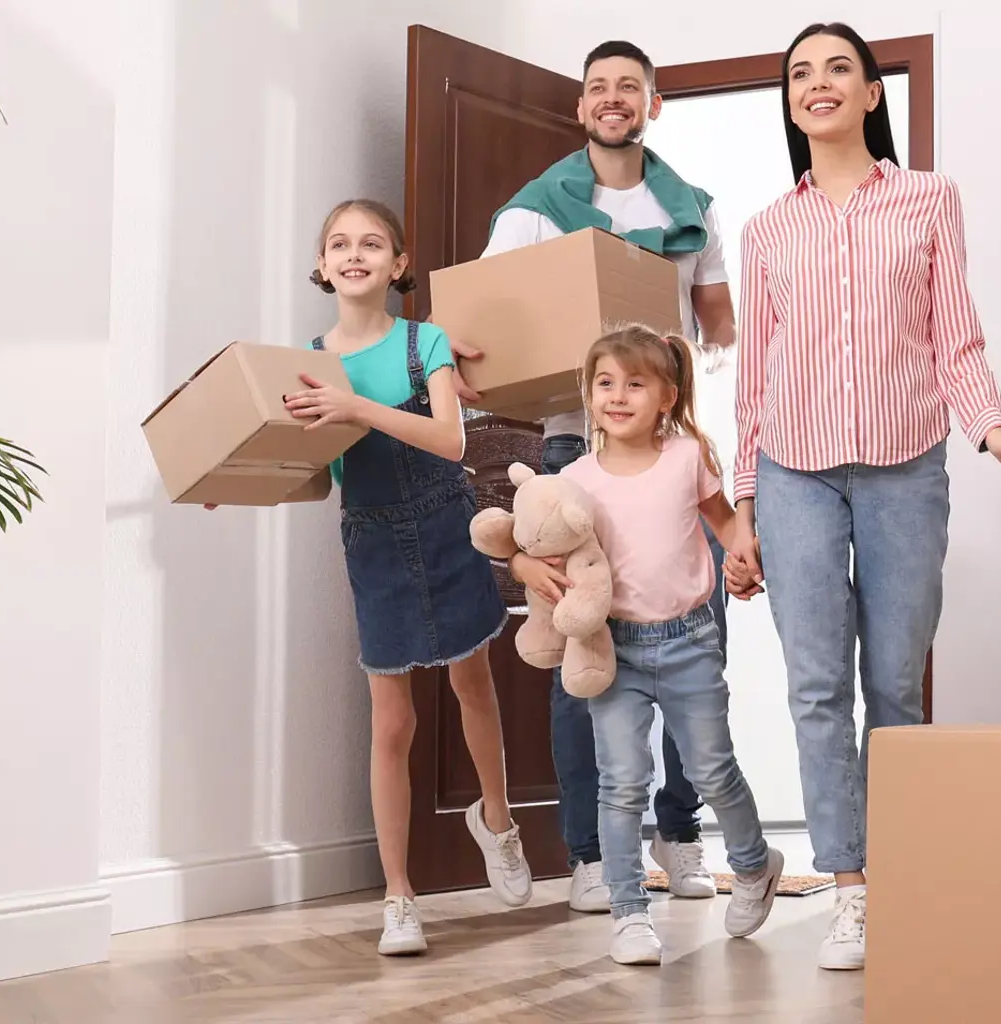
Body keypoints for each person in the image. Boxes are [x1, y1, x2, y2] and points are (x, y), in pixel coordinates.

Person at [723, 23, 1001, 972]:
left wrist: (992, 430)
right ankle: (849, 889)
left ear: (873, 94)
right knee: (817, 686)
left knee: (896, 685)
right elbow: (757, 374)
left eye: (839, 69)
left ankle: (901, 866)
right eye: (800, 74)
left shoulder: (926, 200)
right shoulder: (766, 230)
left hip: (907, 464)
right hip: (794, 472)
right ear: (789, 101)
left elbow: (954, 335)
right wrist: (741, 507)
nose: (818, 84)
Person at [471, 39, 739, 914]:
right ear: (580, 107)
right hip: (567, 455)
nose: (613, 99)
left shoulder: (693, 209)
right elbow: (488, 338)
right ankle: (590, 853)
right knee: (584, 654)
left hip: (667, 458)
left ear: (654, 105)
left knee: (694, 644)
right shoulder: (532, 213)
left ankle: (679, 833)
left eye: (630, 87)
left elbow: (722, 331)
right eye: (598, 89)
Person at [279, 198, 536, 957]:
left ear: (398, 265)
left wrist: (356, 405)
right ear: (322, 267)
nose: (353, 254)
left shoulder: (426, 342)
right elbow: (312, 474)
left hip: (444, 519)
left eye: (372, 243)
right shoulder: (306, 363)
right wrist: (244, 472)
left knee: (472, 684)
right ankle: (399, 895)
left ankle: (498, 820)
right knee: (391, 722)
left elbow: (451, 438)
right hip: (374, 538)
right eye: (338, 244)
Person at [509, 325, 782, 966]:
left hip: (689, 641)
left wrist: (744, 564)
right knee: (622, 783)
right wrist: (525, 571)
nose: (618, 396)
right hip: (614, 651)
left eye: (635, 383)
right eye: (605, 383)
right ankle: (630, 914)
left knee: (713, 769)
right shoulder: (574, 477)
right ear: (588, 394)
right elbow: (530, 540)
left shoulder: (688, 458)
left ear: (667, 396)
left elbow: (726, 530)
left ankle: (752, 864)